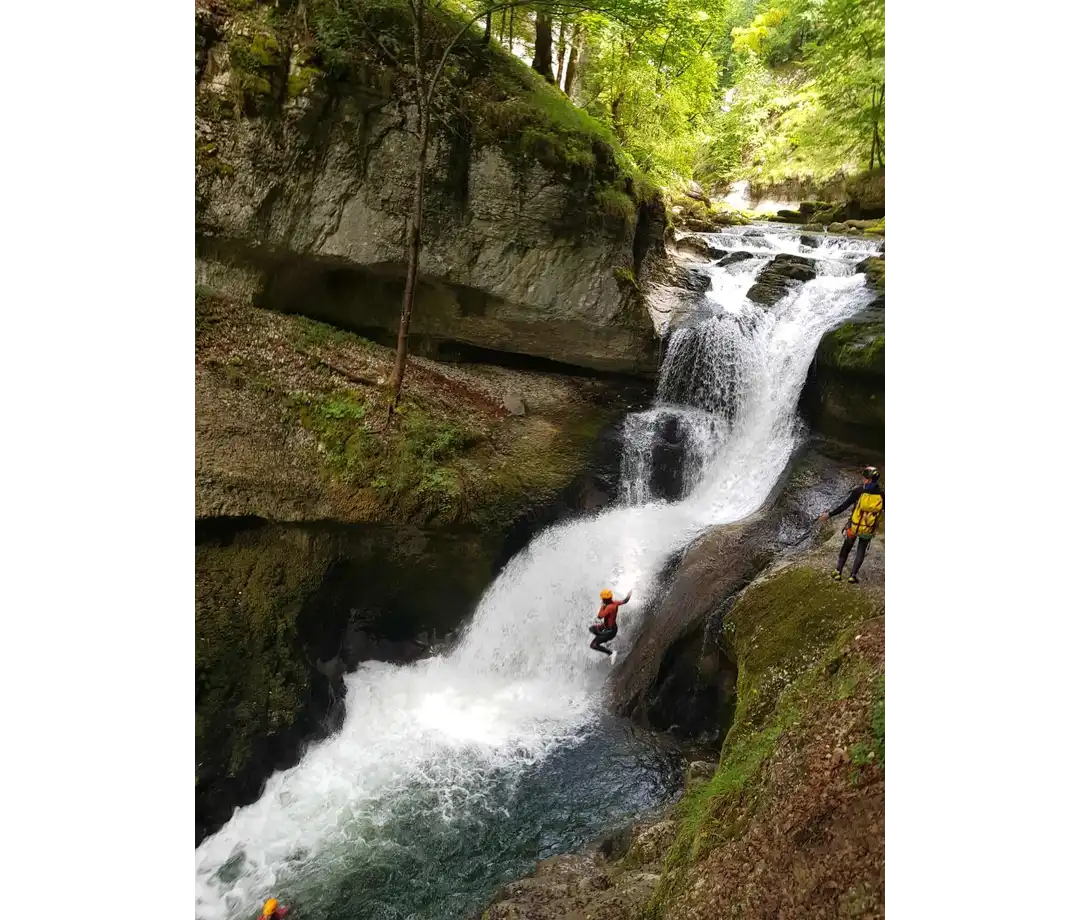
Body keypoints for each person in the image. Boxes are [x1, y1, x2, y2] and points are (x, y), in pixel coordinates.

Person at [818, 466, 886, 584]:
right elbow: (882, 511)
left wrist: (829, 515)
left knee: (846, 548)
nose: (863, 479)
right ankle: (852, 576)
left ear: (868, 479)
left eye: (864, 478)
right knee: (861, 551)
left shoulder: (859, 491)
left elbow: (844, 506)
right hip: (868, 529)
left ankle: (838, 572)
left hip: (854, 527)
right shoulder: (881, 494)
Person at [589, 588, 631, 656]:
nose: (601, 599)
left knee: (593, 645)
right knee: (592, 629)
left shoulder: (609, 607)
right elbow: (625, 601)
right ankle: (605, 641)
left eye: (602, 598)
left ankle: (611, 653)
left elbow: (599, 616)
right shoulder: (615, 603)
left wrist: (602, 605)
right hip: (610, 628)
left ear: (605, 599)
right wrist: (629, 594)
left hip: (610, 632)